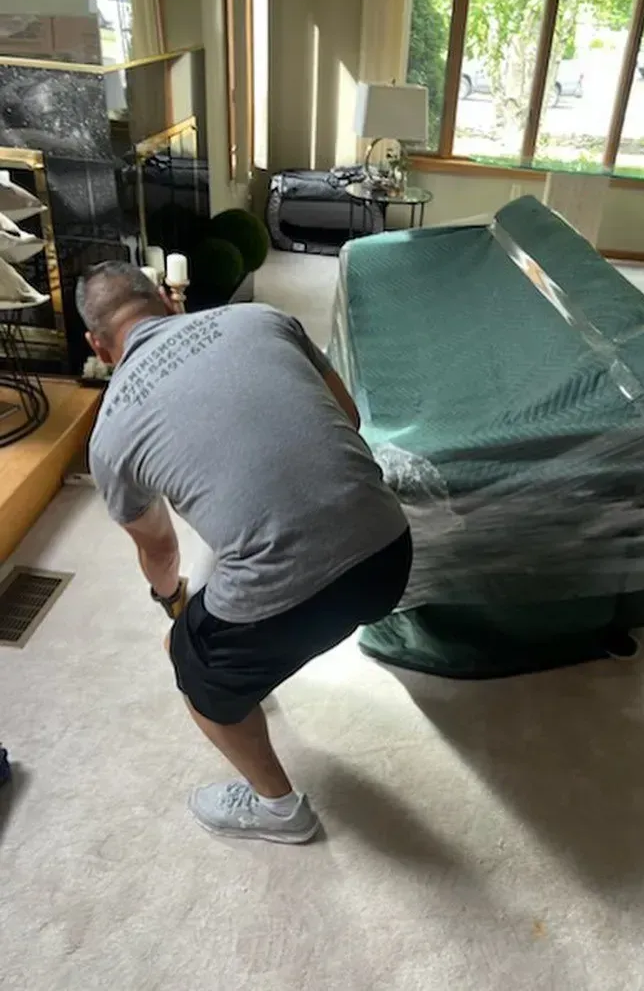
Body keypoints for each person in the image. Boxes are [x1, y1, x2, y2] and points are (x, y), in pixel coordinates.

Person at [78, 262, 411, 844]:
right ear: (164, 300)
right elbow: (350, 420)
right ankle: (255, 666)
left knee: (191, 665)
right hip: (390, 553)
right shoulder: (261, 319)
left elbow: (159, 548)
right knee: (230, 603)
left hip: (304, 597)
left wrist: (169, 599)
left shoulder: (110, 435)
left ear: (99, 347)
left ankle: (279, 811)